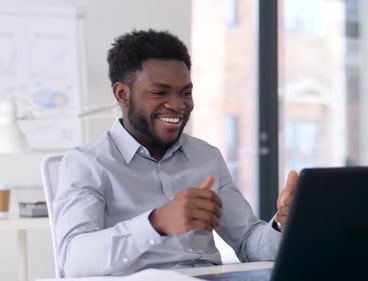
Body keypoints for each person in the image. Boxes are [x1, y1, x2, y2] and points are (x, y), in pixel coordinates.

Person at [52, 29, 298, 277]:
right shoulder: (87, 163)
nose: (178, 105)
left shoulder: (206, 156)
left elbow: (247, 243)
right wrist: (156, 223)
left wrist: (280, 224)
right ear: (122, 94)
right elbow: (74, 261)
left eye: (185, 93)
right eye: (159, 93)